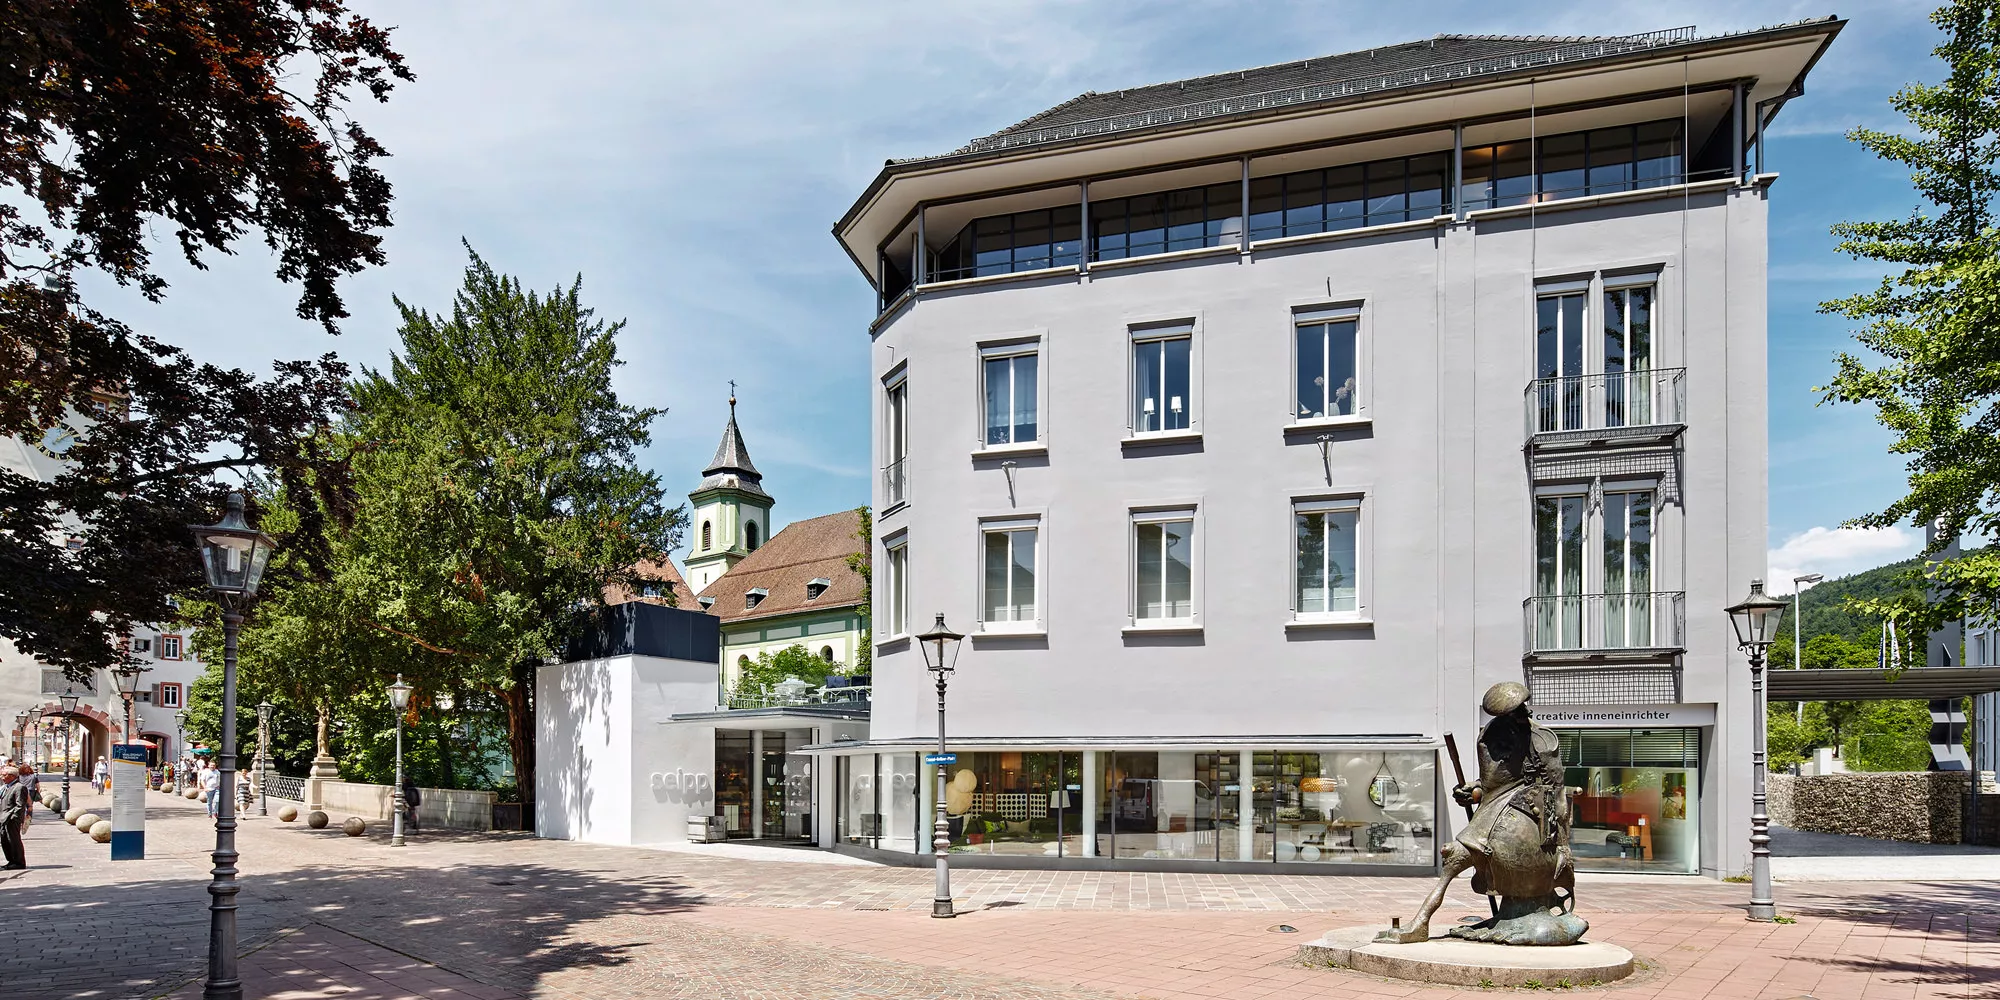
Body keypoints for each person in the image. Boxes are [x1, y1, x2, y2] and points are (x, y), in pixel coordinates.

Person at [0, 767, 27, 869]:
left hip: (11, 819)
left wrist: (13, 817)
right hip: (3, 818)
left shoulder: (19, 787)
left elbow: (20, 805)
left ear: (12, 776)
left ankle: (18, 862)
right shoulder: (6, 787)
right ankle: (11, 861)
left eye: (4, 775)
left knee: (13, 840)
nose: (2, 777)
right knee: (5, 840)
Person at [16, 763, 37, 830]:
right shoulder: (33, 776)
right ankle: (28, 818)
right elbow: (37, 785)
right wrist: (38, 791)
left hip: (22, 791)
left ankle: (23, 818)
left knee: (23, 805)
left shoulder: (19, 776)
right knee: (29, 805)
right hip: (31, 791)